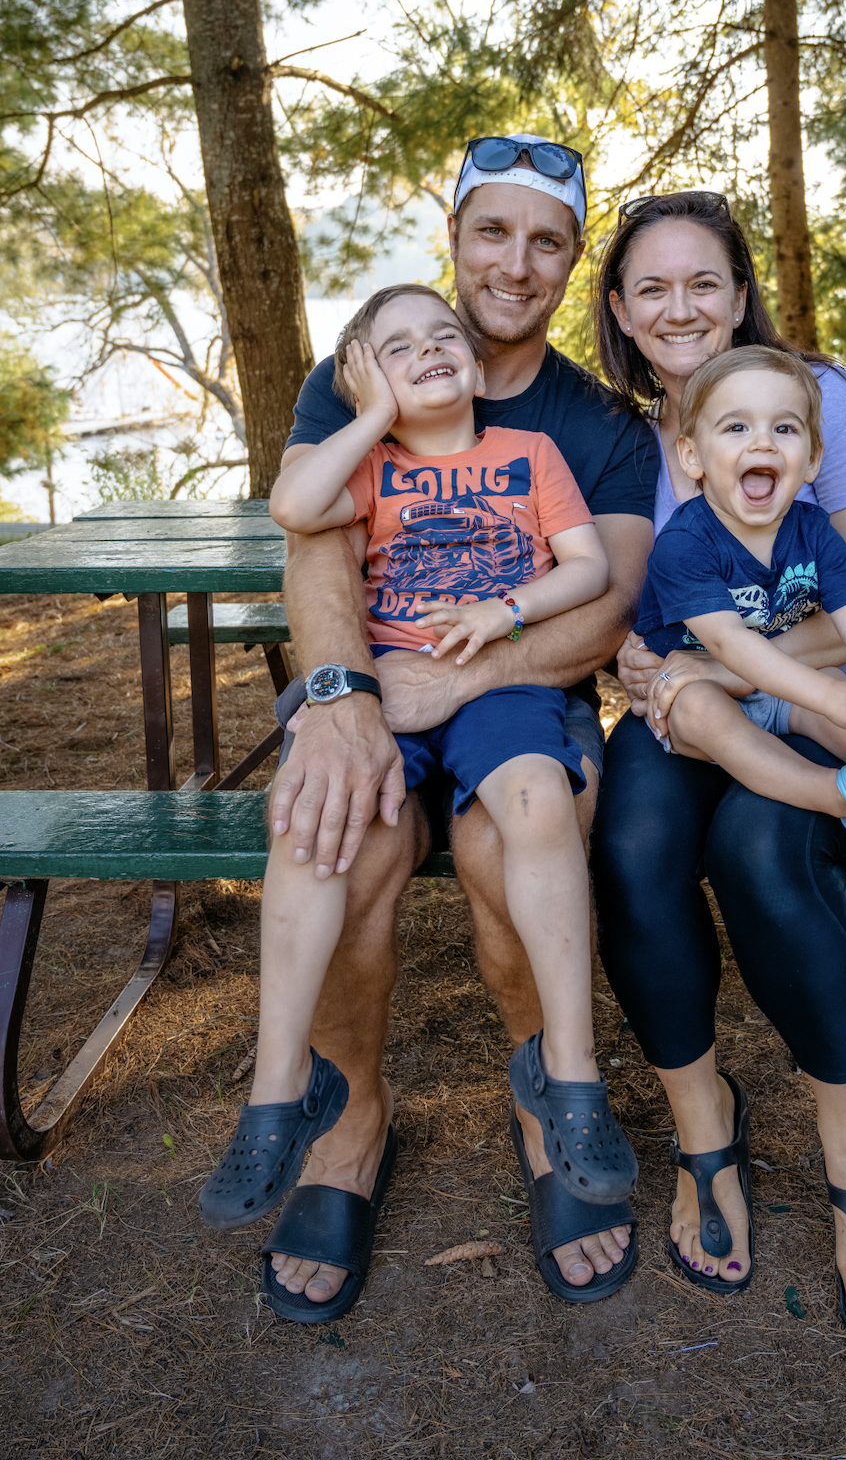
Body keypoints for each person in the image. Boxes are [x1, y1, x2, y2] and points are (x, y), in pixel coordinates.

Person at [258, 137, 657, 1320]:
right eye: (495, 230)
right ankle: (349, 1120)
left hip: (523, 699)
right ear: (456, 235)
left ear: (572, 261)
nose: (515, 261)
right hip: (373, 684)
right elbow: (313, 548)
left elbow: (611, 601)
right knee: (348, 835)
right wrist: (343, 700)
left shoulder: (597, 423)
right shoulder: (364, 374)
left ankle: (550, 1103)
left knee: (503, 844)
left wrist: (457, 685)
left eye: (547, 240)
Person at [197, 282, 638, 1240]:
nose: (432, 347)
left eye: (445, 336)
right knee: (324, 825)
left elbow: (592, 569)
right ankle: (283, 1089)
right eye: (398, 346)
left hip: (501, 685)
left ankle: (570, 1075)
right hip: (386, 690)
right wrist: (373, 418)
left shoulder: (533, 453)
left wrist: (501, 615)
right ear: (363, 375)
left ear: (477, 365)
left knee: (536, 799)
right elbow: (293, 505)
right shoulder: (371, 463)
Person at [589, 190, 846, 1333]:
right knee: (635, 841)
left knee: (756, 844)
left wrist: (728, 669)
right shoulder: (627, 435)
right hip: (698, 713)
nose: (681, 306)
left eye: (705, 282)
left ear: (742, 295)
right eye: (653, 287)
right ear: (621, 312)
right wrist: (645, 669)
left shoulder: (812, 399)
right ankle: (704, 1125)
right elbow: (626, 605)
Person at [636, 344, 846, 943]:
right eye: (737, 426)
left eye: (786, 428)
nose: (763, 442)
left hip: (784, 691)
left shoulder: (814, 530)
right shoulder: (684, 543)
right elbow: (733, 651)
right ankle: (837, 797)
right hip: (706, 690)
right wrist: (830, 696)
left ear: (814, 457)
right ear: (692, 456)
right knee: (702, 708)